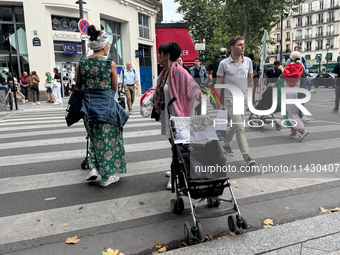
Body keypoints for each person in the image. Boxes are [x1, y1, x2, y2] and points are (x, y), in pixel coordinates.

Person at [80, 25, 129, 187]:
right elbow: (114, 88)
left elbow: (78, 85)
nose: (109, 46)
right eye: (108, 44)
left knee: (94, 138)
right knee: (108, 141)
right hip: (106, 108)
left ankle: (94, 167)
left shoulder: (82, 62)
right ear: (102, 45)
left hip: (88, 108)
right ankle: (107, 177)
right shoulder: (109, 64)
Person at [153, 41, 201, 190]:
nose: (158, 57)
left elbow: (195, 89)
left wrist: (201, 98)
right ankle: (176, 167)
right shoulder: (164, 72)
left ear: (167, 55)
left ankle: (176, 174)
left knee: (179, 147)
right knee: (174, 146)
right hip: (168, 117)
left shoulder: (180, 72)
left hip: (180, 117)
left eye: (159, 54)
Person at [216, 36, 256, 167]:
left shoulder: (248, 61)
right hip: (231, 100)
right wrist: (217, 100)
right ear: (232, 48)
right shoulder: (224, 64)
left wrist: (251, 99)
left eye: (243, 44)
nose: (243, 47)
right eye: (239, 45)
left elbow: (250, 81)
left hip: (243, 99)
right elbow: (219, 83)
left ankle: (226, 145)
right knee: (240, 127)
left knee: (234, 124)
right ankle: (247, 156)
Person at [271, 51, 309, 142]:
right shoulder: (302, 67)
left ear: (290, 59)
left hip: (289, 92)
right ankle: (293, 131)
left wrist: (275, 85)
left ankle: (302, 130)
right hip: (300, 92)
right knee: (296, 111)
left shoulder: (288, 67)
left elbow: (281, 79)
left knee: (291, 113)